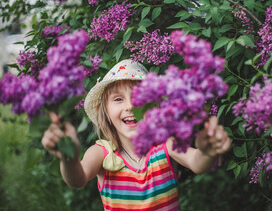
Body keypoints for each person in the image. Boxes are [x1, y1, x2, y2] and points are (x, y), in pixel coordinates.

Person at [42, 59, 231, 210]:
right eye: (118, 99)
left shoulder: (166, 145)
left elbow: (197, 163)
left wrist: (206, 151)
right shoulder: (101, 153)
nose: (130, 106)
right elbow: (77, 179)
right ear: (105, 110)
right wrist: (69, 158)